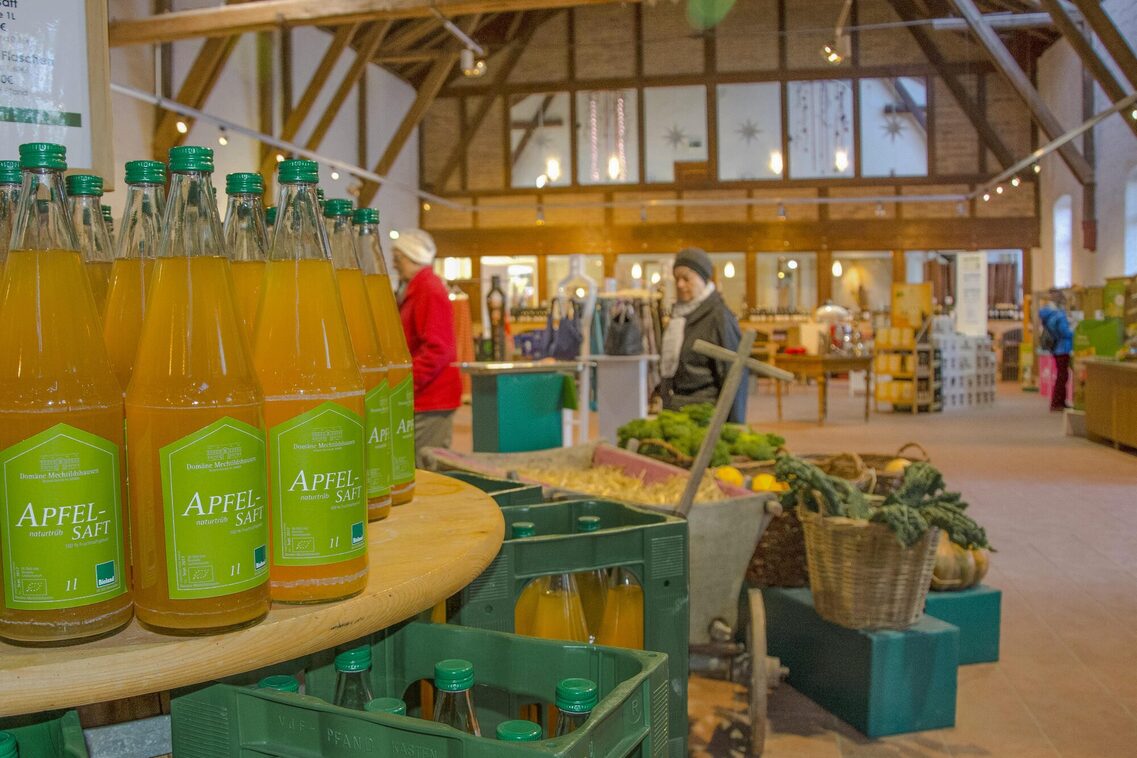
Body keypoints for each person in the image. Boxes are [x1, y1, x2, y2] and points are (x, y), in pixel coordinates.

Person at [391, 228, 462, 464]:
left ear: (411, 257)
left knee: (426, 467)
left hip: (431, 398)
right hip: (423, 397)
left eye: (397, 257)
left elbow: (439, 348)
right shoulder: (415, 289)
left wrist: (405, 383)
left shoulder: (428, 290)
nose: (394, 264)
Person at [658, 247, 747, 423]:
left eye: (686, 278)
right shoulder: (679, 316)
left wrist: (734, 424)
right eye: (677, 279)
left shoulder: (719, 317)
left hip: (705, 413)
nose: (680, 285)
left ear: (703, 278)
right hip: (678, 409)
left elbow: (733, 374)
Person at [1039, 291, 1074, 412]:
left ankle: (1058, 402)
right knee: (1062, 377)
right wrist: (1075, 333)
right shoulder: (1059, 316)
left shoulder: (1048, 316)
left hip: (1055, 348)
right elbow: (1065, 332)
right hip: (1063, 348)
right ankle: (1058, 402)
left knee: (1061, 376)